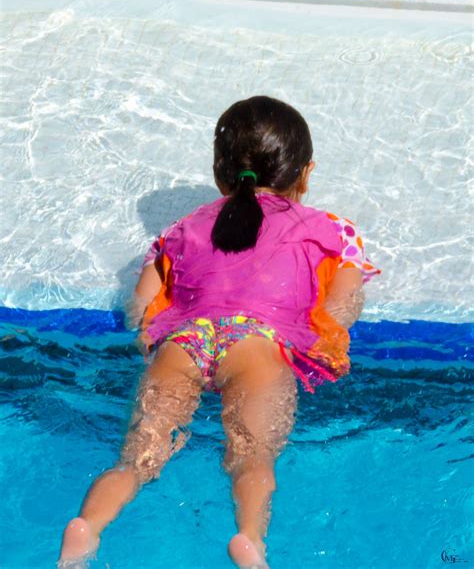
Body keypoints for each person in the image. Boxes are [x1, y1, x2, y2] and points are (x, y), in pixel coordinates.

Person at [58, 96, 380, 568]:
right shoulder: (332, 229)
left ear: (219, 173)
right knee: (252, 458)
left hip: (185, 341)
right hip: (256, 345)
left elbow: (142, 306)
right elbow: (344, 301)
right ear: (305, 173)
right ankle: (249, 539)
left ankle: (88, 527)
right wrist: (324, 339)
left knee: (139, 457)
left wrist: (148, 336)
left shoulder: (181, 228)